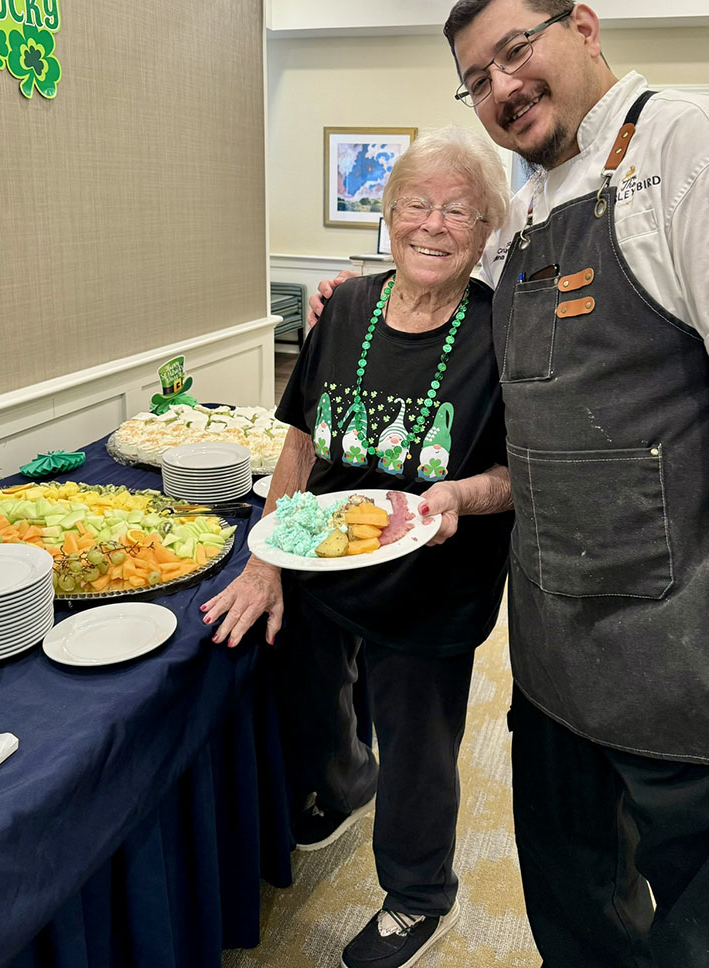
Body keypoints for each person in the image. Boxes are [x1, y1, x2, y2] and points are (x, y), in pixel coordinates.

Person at [310, 0, 709, 967]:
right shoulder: (528, 205)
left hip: (686, 637)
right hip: (553, 644)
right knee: (576, 900)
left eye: (517, 51)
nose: (502, 86)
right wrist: (359, 292)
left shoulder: (701, 147)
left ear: (585, 28)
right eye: (477, 78)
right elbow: (455, 288)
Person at [202, 126, 514, 968]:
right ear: (388, 214)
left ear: (485, 229)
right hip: (321, 565)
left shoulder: (504, 330)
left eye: (458, 209)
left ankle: (420, 896)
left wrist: (457, 495)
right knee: (308, 697)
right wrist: (266, 558)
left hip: (435, 582)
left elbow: (522, 475)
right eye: (416, 203)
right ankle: (341, 781)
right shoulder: (341, 307)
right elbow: (301, 441)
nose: (433, 225)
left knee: (419, 749)